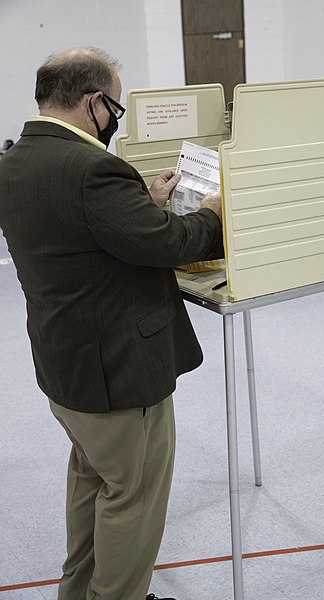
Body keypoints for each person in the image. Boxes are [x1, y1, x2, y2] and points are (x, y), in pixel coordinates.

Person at [0, 47, 223, 600]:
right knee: (134, 498)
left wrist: (141, 203)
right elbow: (169, 243)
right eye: (115, 111)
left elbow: (77, 235)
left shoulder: (15, 160)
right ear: (94, 101)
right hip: (118, 371)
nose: (114, 123)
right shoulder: (94, 167)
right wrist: (214, 216)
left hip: (65, 366)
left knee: (92, 483)